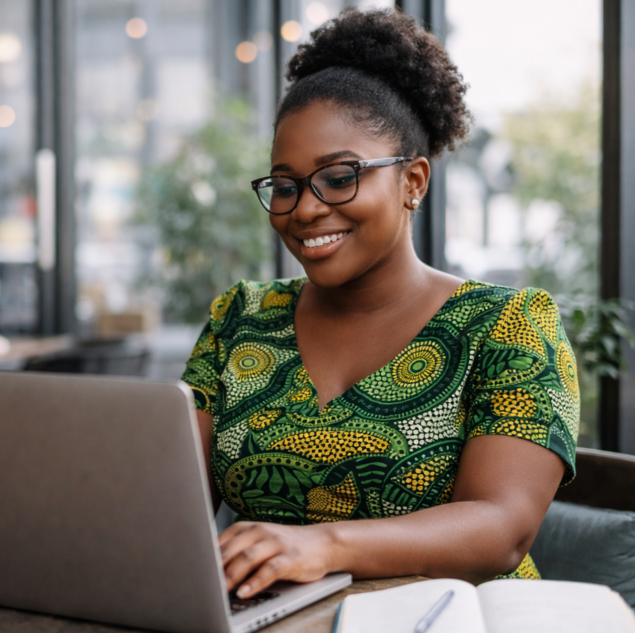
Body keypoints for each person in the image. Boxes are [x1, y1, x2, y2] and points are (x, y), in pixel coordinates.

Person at [182, 7, 579, 600]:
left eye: (339, 177)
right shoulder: (241, 320)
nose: (306, 208)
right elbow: (171, 503)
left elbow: (502, 530)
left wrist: (321, 545)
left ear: (413, 181)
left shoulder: (507, 326)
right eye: (285, 186)